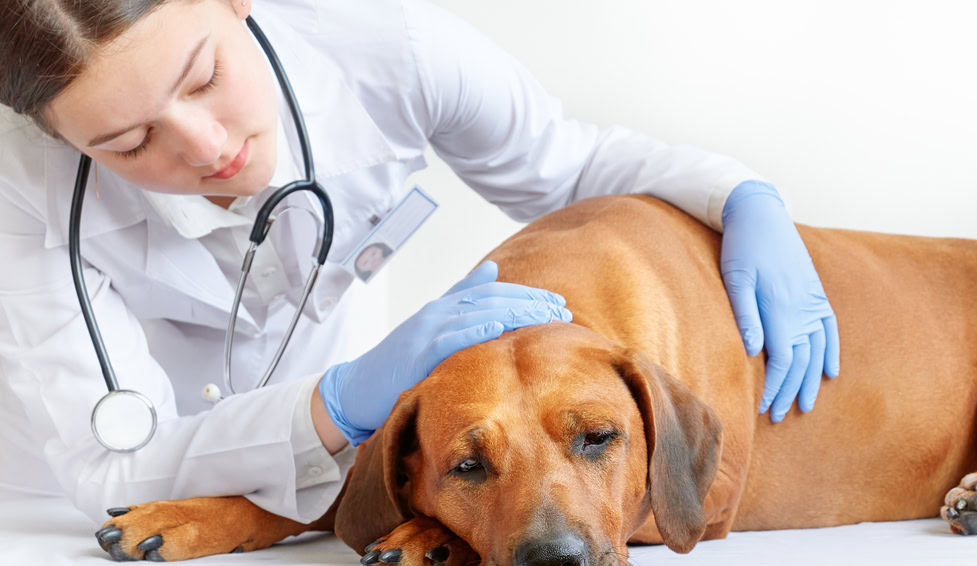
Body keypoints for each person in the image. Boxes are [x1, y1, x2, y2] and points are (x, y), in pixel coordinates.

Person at [0, 0, 838, 527]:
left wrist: (741, 195)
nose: (208, 146)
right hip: (71, 506)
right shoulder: (24, 190)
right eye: (129, 141)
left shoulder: (394, 47)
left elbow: (567, 168)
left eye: (207, 76)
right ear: (57, 136)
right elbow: (110, 460)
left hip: (360, 479)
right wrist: (336, 402)